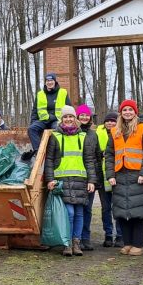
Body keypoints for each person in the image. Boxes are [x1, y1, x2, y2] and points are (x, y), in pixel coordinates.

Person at [44, 106, 98, 257]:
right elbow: (49, 160)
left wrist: (92, 180)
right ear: (61, 119)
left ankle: (76, 242)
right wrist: (50, 179)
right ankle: (67, 243)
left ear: (75, 119)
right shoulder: (55, 136)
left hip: (80, 181)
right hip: (62, 181)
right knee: (69, 213)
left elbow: (89, 160)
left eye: (71, 117)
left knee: (79, 213)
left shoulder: (83, 137)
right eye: (65, 117)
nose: (68, 119)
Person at [105, 100, 143, 257]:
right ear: (121, 112)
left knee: (138, 212)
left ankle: (138, 244)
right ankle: (127, 243)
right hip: (120, 175)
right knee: (122, 211)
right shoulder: (115, 131)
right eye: (124, 110)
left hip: (137, 175)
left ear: (135, 112)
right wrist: (110, 175)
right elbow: (109, 155)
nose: (127, 112)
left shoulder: (142, 128)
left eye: (130, 109)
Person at [26, 73, 72, 158]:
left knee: (57, 129)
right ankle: (39, 152)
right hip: (43, 120)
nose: (49, 82)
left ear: (55, 81)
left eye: (51, 80)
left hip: (57, 120)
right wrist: (33, 122)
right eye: (47, 80)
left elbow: (69, 108)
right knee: (31, 129)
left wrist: (68, 122)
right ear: (45, 82)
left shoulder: (62, 92)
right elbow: (35, 110)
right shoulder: (40, 94)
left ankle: (56, 152)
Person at [95, 112, 122, 247]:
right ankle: (108, 235)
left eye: (113, 121)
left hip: (117, 175)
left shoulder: (121, 133)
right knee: (106, 208)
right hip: (102, 176)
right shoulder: (97, 133)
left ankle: (120, 235)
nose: (110, 123)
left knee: (118, 207)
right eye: (108, 121)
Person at [76, 104, 97, 251]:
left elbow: (96, 157)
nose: (84, 117)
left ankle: (86, 237)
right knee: (77, 210)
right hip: (75, 176)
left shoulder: (93, 134)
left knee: (87, 209)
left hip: (89, 176)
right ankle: (76, 239)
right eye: (81, 115)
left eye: (86, 115)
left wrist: (94, 179)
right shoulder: (71, 133)